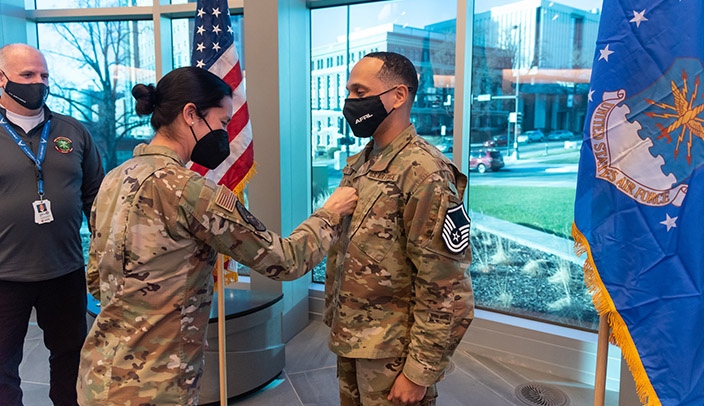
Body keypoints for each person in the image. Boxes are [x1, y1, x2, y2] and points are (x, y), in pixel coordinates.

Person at [77, 66, 358, 405]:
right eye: (223, 122)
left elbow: (96, 278)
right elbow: (285, 260)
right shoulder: (189, 191)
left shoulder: (114, 179)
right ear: (192, 114)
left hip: (98, 374)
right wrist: (330, 213)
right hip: (155, 387)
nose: (226, 133)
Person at [255, 51, 474, 405]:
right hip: (354, 339)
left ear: (399, 96)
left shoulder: (425, 173)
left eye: (359, 92)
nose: (349, 103)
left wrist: (419, 372)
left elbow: (447, 288)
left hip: (393, 354)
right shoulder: (361, 163)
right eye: (349, 93)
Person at [0, 43, 105, 405]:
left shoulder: (73, 132)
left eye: (44, 75)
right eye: (27, 75)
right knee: (2, 370)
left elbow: (97, 198)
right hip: (4, 277)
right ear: (2, 79)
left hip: (65, 270)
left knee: (71, 359)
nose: (38, 82)